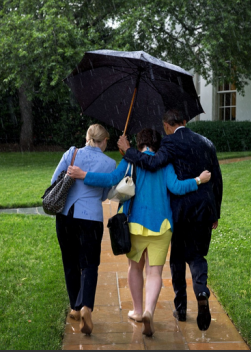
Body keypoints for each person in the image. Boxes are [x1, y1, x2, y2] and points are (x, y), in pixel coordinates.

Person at [67, 128, 211, 337]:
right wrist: (198, 180)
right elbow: (177, 187)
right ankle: (149, 312)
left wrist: (83, 175)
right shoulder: (164, 163)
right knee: (154, 272)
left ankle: (136, 310)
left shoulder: (130, 161)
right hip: (161, 226)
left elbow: (110, 180)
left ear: (139, 142)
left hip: (134, 224)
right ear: (157, 144)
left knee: (135, 268)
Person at [117, 109, 223, 332]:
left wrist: (127, 151)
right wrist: (216, 212)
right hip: (204, 209)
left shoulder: (169, 143)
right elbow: (217, 180)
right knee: (197, 255)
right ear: (185, 121)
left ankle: (181, 308)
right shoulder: (207, 143)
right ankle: (201, 290)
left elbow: (153, 164)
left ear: (166, 125)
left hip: (181, 209)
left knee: (177, 258)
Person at [51, 124, 116, 336]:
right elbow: (105, 194)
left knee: (70, 262)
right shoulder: (109, 163)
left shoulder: (72, 153)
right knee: (89, 264)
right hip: (91, 219)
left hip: (66, 217)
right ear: (104, 141)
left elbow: (54, 182)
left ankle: (75, 307)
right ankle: (87, 306)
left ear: (87, 137)